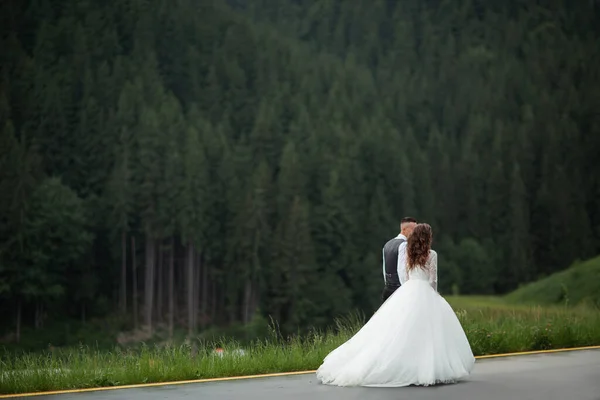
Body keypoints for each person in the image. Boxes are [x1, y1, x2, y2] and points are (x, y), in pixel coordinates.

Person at [316, 223, 475, 387]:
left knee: (399, 329)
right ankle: (425, 366)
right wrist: (434, 294)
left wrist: (408, 290)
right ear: (428, 237)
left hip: (408, 290)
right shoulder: (432, 254)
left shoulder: (409, 253)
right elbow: (433, 279)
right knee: (428, 331)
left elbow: (406, 275)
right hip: (424, 290)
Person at [381, 217, 417, 302]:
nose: (416, 233)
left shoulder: (387, 244)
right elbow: (402, 269)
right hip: (399, 289)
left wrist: (387, 284)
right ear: (405, 229)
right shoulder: (404, 245)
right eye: (413, 229)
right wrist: (406, 289)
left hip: (388, 288)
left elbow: (384, 269)